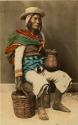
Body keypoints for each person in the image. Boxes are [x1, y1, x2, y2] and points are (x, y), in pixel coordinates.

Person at [5, 7, 72, 120]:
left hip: (41, 69)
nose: (38, 22)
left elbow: (41, 53)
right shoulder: (22, 37)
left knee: (62, 75)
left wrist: (49, 56)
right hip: (29, 72)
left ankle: (56, 103)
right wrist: (19, 79)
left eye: (39, 19)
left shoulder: (40, 36)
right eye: (35, 19)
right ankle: (40, 108)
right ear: (28, 20)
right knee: (40, 81)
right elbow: (18, 58)